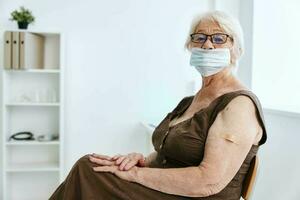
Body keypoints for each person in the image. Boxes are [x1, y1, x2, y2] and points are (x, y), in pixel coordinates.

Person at [49, 10, 267, 200]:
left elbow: (208, 181)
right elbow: (171, 152)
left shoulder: (239, 105)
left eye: (219, 38)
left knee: (88, 170)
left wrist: (135, 175)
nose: (207, 45)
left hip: (193, 196)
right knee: (90, 166)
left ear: (236, 49)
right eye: (199, 37)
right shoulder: (190, 101)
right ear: (190, 46)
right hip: (166, 191)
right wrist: (142, 161)